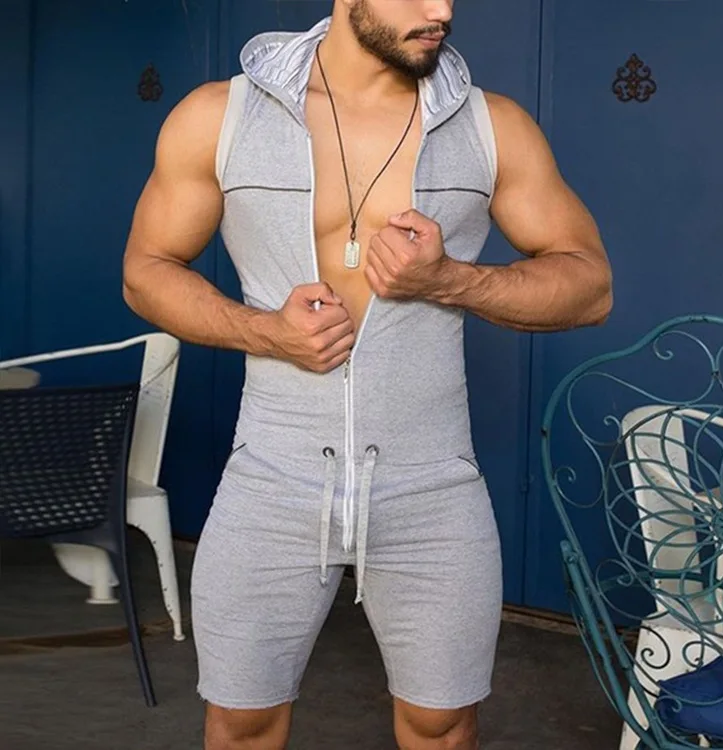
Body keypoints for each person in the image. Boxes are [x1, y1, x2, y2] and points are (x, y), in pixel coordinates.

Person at [123, 1, 613, 747]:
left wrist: (450, 280)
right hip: (272, 479)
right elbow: (145, 270)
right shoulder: (219, 117)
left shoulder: (494, 127)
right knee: (242, 723)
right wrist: (266, 332)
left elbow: (590, 286)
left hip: (432, 486)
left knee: (441, 724)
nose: (441, 10)